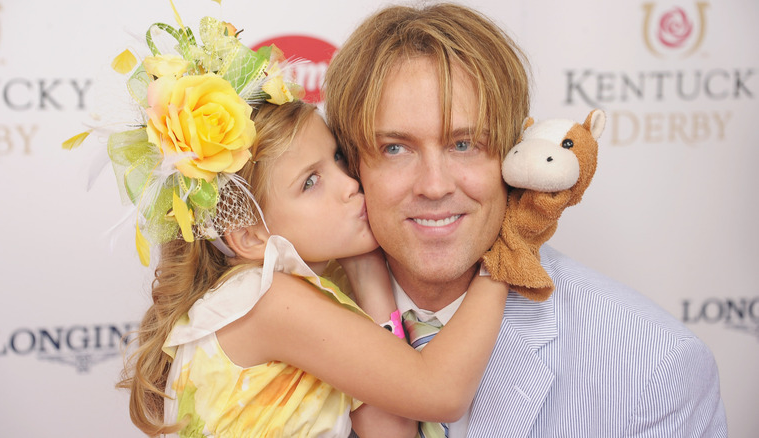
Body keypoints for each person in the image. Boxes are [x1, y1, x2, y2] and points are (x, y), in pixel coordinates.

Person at [323, 2, 728, 437]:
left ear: (518, 153)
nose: (434, 186)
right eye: (395, 149)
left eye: (464, 144)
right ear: (350, 167)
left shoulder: (654, 364)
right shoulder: (283, 331)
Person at [100, 13, 511, 437]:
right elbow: (439, 393)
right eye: (310, 182)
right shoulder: (265, 302)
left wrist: (368, 275)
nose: (352, 184)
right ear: (250, 236)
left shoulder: (308, 293)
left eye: (337, 159)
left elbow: (393, 431)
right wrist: (510, 252)